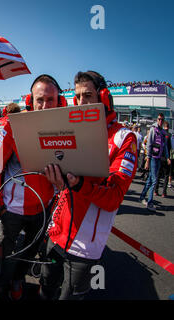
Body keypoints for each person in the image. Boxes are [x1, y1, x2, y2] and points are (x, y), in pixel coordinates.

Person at [40, 70, 138, 300]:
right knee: (45, 289)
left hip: (85, 246)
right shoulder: (72, 130)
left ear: (103, 97)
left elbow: (114, 198)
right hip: (56, 233)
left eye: (88, 95)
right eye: (78, 97)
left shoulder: (124, 138)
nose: (82, 102)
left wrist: (79, 184)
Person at [0, 74, 67, 300]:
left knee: (29, 252)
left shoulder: (66, 127)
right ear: (31, 101)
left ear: (59, 101)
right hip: (13, 209)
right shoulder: (13, 125)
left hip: (43, 208)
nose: (44, 105)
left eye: (50, 100)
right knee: (8, 252)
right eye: (39, 99)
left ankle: (17, 280)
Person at [139, 113, 170, 211]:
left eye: (162, 119)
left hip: (158, 158)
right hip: (152, 158)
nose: (160, 121)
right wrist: (147, 159)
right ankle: (150, 202)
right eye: (159, 119)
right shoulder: (153, 130)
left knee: (150, 180)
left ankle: (142, 196)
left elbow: (164, 146)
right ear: (157, 120)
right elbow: (149, 144)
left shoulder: (163, 132)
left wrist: (168, 157)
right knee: (154, 180)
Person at [154, 121, 172, 197]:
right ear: (168, 127)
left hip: (159, 156)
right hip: (166, 157)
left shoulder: (160, 134)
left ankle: (156, 191)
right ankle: (164, 192)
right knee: (166, 175)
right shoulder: (170, 135)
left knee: (158, 174)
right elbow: (171, 147)